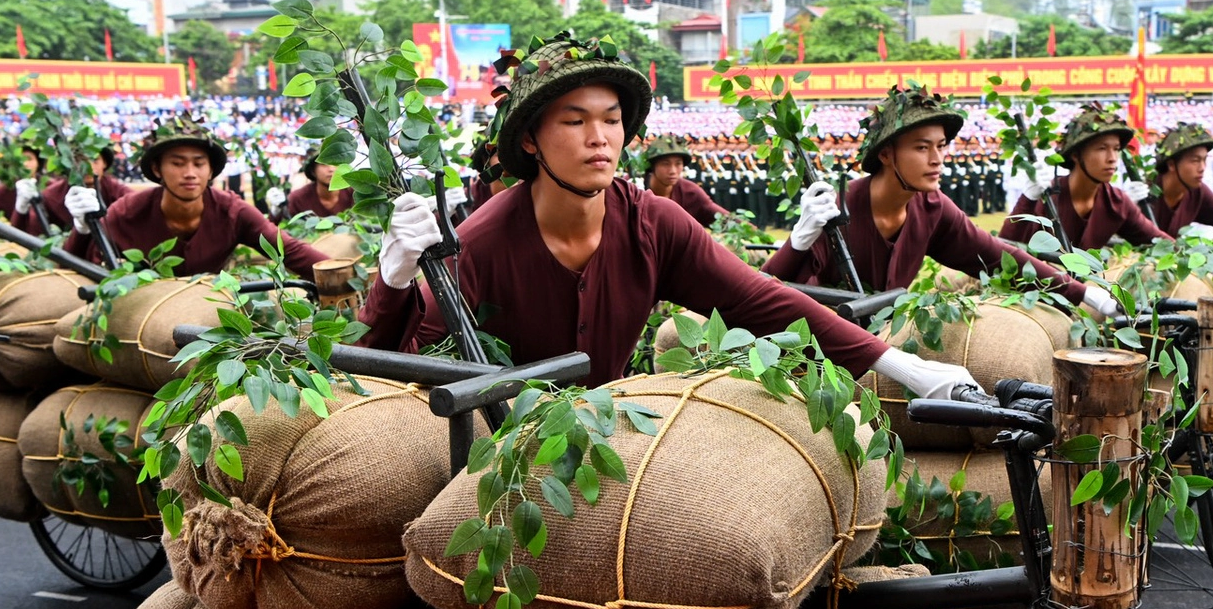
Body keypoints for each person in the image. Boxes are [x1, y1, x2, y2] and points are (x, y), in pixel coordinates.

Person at [356, 32, 973, 401]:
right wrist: (394, 280)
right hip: (508, 473)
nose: (600, 138)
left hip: (621, 435)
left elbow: (761, 300)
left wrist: (902, 366)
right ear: (529, 142)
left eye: (612, 119)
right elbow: (394, 367)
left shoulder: (654, 223)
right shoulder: (482, 242)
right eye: (574, 121)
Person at [760, 82, 1103, 309]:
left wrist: (1082, 293)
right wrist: (798, 240)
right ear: (886, 154)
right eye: (922, 148)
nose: (937, 159)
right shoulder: (834, 208)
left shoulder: (932, 208)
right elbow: (765, 291)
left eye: (940, 146)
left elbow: (997, 256)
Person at [93, 117, 334, 277]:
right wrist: (83, 227)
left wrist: (341, 273)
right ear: (157, 170)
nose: (189, 173)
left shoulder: (233, 211)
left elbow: (289, 250)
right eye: (177, 163)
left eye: (199, 164)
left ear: (210, 171)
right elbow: (81, 264)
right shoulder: (126, 212)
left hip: (209, 307)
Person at [998, 103, 1169, 252]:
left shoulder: (1117, 202)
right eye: (1102, 148)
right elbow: (1006, 249)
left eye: (1116, 149)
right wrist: (1028, 198)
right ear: (1076, 155)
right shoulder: (1046, 197)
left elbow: (1157, 241)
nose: (1112, 158)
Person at [635, 135, 727, 226]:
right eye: (665, 164)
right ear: (652, 166)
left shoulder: (690, 192)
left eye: (678, 164)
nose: (673, 171)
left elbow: (724, 217)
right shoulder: (635, 189)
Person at [281, 147, 355, 221]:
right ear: (313, 171)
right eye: (324, 164)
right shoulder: (297, 199)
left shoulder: (353, 194)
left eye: (336, 164)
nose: (331, 169)